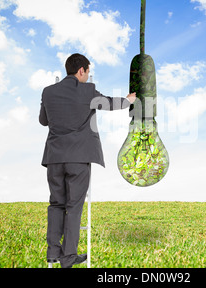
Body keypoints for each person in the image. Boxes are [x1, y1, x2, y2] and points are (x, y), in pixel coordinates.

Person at [39, 53, 136, 268]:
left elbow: (43, 121)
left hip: (54, 158)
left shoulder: (48, 92)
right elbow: (108, 103)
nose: (87, 75)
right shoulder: (87, 90)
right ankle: (68, 257)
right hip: (78, 157)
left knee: (55, 204)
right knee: (74, 206)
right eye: (87, 71)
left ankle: (52, 253)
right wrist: (128, 100)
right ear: (81, 70)